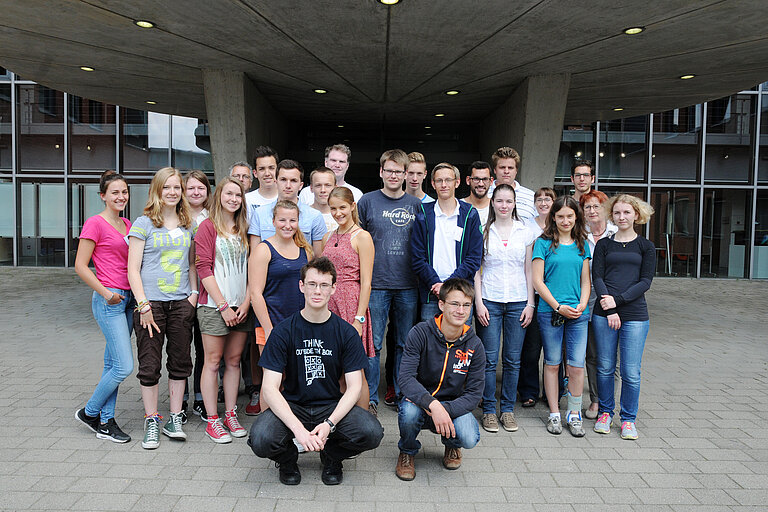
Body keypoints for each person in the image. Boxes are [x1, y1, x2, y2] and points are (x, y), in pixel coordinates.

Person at [248, 257, 384, 486]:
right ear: (301, 286)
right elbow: (269, 389)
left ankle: (332, 456)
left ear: (334, 288)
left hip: (330, 405)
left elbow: (355, 387)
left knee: (372, 432)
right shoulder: (283, 331)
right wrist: (298, 430)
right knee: (260, 439)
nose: (317, 291)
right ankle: (288, 459)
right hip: (293, 404)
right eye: (311, 284)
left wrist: (330, 424)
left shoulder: (346, 333)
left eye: (323, 285)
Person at [127, 167, 198, 449]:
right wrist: (142, 304)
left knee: (180, 361)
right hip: (151, 304)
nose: (172, 192)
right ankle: (152, 419)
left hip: (181, 302)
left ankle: (174, 417)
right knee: (150, 364)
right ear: (157, 190)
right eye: (167, 187)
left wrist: (192, 294)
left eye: (176, 188)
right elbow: (133, 268)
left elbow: (192, 263)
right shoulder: (143, 224)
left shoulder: (188, 224)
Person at [395, 278, 485, 481]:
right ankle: (407, 451)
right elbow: (406, 378)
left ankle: (452, 446)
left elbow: (473, 395)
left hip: (454, 405)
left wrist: (446, 411)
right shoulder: (420, 333)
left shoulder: (475, 345)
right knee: (408, 412)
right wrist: (433, 405)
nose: (460, 311)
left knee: (470, 438)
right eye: (454, 304)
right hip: (421, 402)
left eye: (466, 305)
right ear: (441, 304)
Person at [357, 149, 421, 413]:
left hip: (408, 284)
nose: (394, 175)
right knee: (374, 343)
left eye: (399, 171)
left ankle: (402, 394)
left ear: (406, 175)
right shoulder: (366, 202)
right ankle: (370, 397)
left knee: (404, 343)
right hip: (376, 284)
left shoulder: (416, 205)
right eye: (389, 170)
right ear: (381, 172)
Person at [74, 170, 134, 443]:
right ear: (103, 196)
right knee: (123, 366)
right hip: (109, 301)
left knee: (112, 363)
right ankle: (90, 411)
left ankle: (106, 422)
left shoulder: (128, 224)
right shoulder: (95, 224)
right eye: (115, 193)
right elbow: (80, 266)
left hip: (129, 300)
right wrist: (106, 292)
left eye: (124, 192)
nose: (121, 197)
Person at [473, 184, 536, 433]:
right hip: (490, 299)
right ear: (492, 202)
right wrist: (478, 302)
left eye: (508, 201)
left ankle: (507, 409)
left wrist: (530, 303)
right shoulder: (483, 230)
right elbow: (476, 270)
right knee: (489, 359)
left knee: (512, 359)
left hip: (519, 301)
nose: (504, 205)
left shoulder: (525, 231)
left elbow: (529, 270)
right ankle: (489, 410)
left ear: (514, 203)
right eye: (499, 201)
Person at [592, 194, 655, 440]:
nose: (622, 217)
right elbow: (598, 277)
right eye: (617, 213)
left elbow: (645, 282)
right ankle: (605, 413)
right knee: (605, 367)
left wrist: (617, 302)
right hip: (604, 314)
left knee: (631, 371)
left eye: (627, 212)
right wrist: (609, 308)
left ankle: (628, 419)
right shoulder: (604, 245)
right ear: (611, 215)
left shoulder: (646, 246)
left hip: (635, 315)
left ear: (637, 215)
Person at [195, 177, 252, 443]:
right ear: (219, 196)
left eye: (238, 195)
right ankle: (213, 420)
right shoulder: (208, 227)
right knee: (213, 362)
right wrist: (223, 306)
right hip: (214, 306)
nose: (233, 199)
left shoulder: (244, 227)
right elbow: (203, 268)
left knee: (233, 361)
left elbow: (254, 269)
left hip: (240, 306)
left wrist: (246, 303)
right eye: (229, 194)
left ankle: (230, 413)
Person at [532, 195, 591, 437]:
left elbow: (586, 281)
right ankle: (555, 414)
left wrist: (582, 305)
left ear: (576, 217)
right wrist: (558, 307)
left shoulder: (582, 244)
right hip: (551, 312)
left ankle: (574, 414)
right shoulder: (543, 243)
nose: (565, 220)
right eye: (560, 216)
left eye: (570, 216)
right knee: (553, 363)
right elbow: (537, 281)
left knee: (576, 366)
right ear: (553, 218)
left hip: (578, 314)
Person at [322, 186, 375, 410]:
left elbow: (366, 282)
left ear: (352, 206)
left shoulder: (362, 237)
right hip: (328, 304)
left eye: (342, 207)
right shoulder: (328, 235)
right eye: (333, 208)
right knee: (334, 366)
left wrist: (359, 319)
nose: (337, 213)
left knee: (354, 369)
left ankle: (362, 419)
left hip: (351, 304)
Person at [411, 162, 483, 322]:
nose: (444, 185)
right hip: (432, 292)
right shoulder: (423, 213)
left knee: (461, 344)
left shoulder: (470, 214)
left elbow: (474, 258)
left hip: (461, 294)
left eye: (448, 180)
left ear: (457, 182)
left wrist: (449, 285)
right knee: (430, 344)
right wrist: (436, 283)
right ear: (432, 184)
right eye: (439, 181)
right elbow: (417, 258)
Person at [250, 200, 312, 357]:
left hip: (300, 325)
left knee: (298, 378)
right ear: (273, 221)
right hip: (271, 323)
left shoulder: (305, 251)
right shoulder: (263, 250)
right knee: (274, 378)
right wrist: (269, 329)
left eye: (292, 220)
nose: (287, 225)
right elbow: (255, 294)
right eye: (282, 220)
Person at [517, 187, 557, 408]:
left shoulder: (559, 225)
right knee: (531, 348)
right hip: (533, 293)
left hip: (555, 293)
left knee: (554, 349)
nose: (543, 203)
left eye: (547, 199)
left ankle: (554, 392)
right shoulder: (527, 226)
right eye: (539, 199)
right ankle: (529, 390)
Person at [580, 189, 618, 419]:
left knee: (611, 356)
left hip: (611, 302)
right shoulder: (578, 235)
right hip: (586, 301)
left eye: (597, 207)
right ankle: (596, 400)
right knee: (592, 355)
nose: (592, 211)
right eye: (588, 207)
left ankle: (609, 402)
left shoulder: (616, 234)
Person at [249, 159, 326, 256]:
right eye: (283, 180)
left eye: (293, 181)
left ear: (300, 185)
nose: (288, 185)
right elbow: (254, 256)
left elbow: (318, 258)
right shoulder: (260, 213)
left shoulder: (315, 216)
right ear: (276, 182)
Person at [183, 170, 211, 421]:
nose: (195, 192)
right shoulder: (175, 216)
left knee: (203, 349)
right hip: (178, 291)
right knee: (181, 348)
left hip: (206, 292)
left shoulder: (212, 217)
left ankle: (201, 399)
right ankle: (180, 401)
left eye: (200, 188)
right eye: (191, 188)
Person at [299, 144, 363, 204]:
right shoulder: (306, 193)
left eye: (341, 161)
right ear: (326, 162)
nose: (337, 165)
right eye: (333, 160)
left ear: (347, 165)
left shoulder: (356, 194)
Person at [490, 147, 536, 221]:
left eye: (510, 168)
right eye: (502, 167)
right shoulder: (485, 194)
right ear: (495, 170)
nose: (506, 171)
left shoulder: (531, 197)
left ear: (516, 170)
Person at [463, 161, 493, 227]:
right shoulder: (459, 207)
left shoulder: (497, 207)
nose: (481, 184)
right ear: (468, 180)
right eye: (476, 179)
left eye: (485, 179)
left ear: (491, 181)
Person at [309, 166, 339, 232]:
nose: (323, 190)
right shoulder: (302, 214)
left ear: (335, 188)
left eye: (328, 185)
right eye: (318, 185)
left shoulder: (342, 216)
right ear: (311, 188)